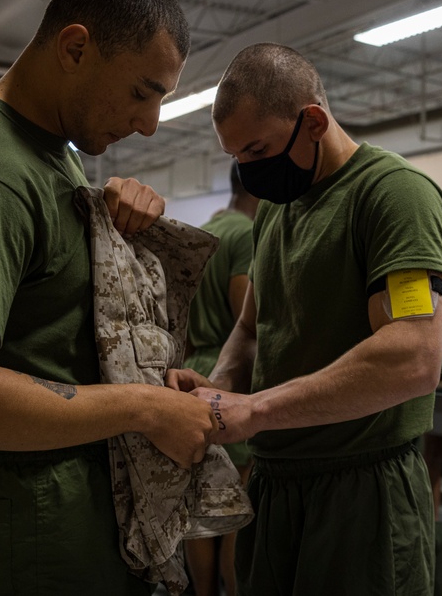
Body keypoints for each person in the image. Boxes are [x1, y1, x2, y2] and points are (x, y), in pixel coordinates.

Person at [0, 0, 219, 595]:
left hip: (83, 514)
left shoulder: (53, 158)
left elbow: (58, 335)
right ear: (75, 48)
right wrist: (145, 408)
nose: (149, 123)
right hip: (44, 527)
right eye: (140, 92)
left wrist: (146, 367)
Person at [167, 43, 442, 596]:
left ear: (313, 121)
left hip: (361, 490)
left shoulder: (394, 196)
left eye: (258, 149)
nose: (250, 172)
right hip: (278, 484)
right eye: (237, 158)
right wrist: (221, 387)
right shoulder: (276, 208)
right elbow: (252, 329)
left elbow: (413, 355)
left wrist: (256, 410)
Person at [181, 161, 259, 596]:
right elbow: (245, 322)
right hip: (233, 375)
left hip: (200, 372)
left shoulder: (204, 230)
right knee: (234, 508)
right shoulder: (245, 234)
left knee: (201, 508)